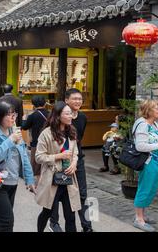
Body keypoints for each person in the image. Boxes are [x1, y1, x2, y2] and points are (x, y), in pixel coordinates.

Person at [0, 100, 35, 232]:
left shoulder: (14, 130)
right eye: (9, 115)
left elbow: (23, 156)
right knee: (6, 221)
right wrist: (10, 140)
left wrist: (30, 179)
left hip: (12, 181)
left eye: (14, 114)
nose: (13, 118)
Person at [50, 88, 93, 232]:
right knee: (56, 192)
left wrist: (75, 160)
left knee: (82, 193)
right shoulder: (59, 117)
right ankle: (54, 222)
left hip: (77, 159)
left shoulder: (82, 118)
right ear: (66, 100)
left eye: (80, 99)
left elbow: (79, 141)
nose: (78, 101)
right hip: (59, 159)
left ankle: (87, 227)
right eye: (74, 98)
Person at [35, 101, 81, 233]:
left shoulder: (71, 131)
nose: (71, 116)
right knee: (47, 212)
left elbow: (75, 152)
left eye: (71, 113)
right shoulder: (46, 134)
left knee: (70, 216)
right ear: (58, 116)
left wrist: (74, 163)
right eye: (67, 113)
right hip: (52, 179)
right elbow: (39, 157)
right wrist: (58, 156)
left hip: (68, 179)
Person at [132, 100, 158, 232]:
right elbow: (140, 146)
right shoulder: (142, 124)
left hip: (156, 162)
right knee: (145, 189)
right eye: (157, 108)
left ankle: (142, 215)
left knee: (151, 189)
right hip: (148, 162)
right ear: (149, 110)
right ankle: (138, 219)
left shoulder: (155, 124)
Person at [22, 95, 49, 183]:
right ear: (45, 103)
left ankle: (38, 183)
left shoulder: (32, 116)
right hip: (49, 142)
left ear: (33, 104)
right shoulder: (50, 114)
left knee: (36, 163)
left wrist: (24, 119)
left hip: (36, 143)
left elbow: (24, 127)